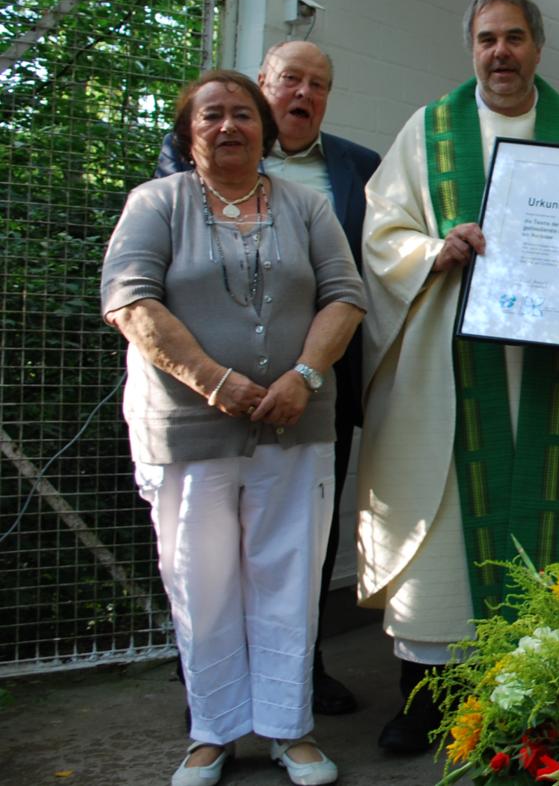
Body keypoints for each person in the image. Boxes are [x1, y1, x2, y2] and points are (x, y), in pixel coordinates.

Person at [359, 0, 559, 754]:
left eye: (513, 38)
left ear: (538, 47)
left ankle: (557, 693)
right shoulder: (429, 131)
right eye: (486, 39)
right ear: (470, 47)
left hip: (554, 366)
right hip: (454, 363)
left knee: (558, 508)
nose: (499, 53)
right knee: (445, 520)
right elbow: (383, 231)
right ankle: (428, 699)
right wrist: (434, 250)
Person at [102, 70, 365, 786]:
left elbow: (345, 297)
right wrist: (212, 382)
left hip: (295, 422)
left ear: (266, 129)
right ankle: (212, 733)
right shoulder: (156, 203)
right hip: (188, 429)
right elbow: (130, 302)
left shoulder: (307, 207)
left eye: (243, 115)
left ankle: (290, 730)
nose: (229, 127)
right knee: (200, 578)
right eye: (211, 115)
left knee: (288, 577)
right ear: (189, 133)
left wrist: (303, 375)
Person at [156, 40, 380, 715]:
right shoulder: (186, 166)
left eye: (319, 84)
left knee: (302, 540)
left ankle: (300, 670)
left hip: (313, 390)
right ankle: (210, 683)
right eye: (291, 79)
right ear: (263, 85)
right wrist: (208, 376)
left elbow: (359, 281)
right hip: (206, 398)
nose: (303, 94)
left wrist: (309, 372)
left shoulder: (358, 170)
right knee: (205, 543)